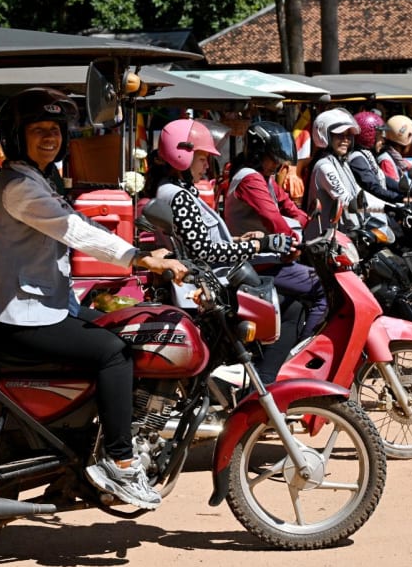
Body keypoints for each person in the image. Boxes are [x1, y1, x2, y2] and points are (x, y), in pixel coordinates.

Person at [0, 87, 187, 510]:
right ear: (18, 136)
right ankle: (120, 461)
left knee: (120, 328)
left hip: (40, 305)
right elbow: (75, 231)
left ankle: (75, 462)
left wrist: (145, 247)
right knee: (114, 354)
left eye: (55, 130)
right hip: (18, 316)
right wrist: (137, 257)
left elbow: (82, 221)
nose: (49, 138)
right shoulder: (20, 187)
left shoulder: (37, 178)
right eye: (38, 130)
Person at [148, 118, 299, 385]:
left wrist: (242, 239)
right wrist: (259, 245)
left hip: (209, 284)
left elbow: (201, 243)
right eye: (202, 157)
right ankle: (262, 385)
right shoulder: (178, 196)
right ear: (182, 155)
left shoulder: (176, 191)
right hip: (208, 290)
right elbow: (205, 252)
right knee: (290, 310)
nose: (207, 165)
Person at [224, 121, 327, 338]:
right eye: (273, 158)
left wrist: (316, 228)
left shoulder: (265, 177)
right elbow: (272, 218)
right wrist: (293, 245)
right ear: (259, 153)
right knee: (325, 288)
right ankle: (307, 352)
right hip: (258, 262)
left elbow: (288, 206)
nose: (277, 164)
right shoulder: (250, 179)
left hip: (270, 258)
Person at [304, 108, 388, 240]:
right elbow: (347, 201)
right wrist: (385, 208)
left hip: (341, 238)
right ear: (325, 135)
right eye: (339, 135)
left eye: (348, 136)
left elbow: (359, 193)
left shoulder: (341, 162)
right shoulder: (324, 166)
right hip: (322, 244)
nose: (345, 140)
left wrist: (392, 206)